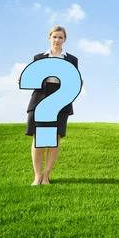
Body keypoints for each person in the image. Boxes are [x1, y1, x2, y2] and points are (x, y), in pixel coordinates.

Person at [18, 26, 82, 186]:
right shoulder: (39, 57)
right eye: (54, 37)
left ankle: (46, 176)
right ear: (49, 38)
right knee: (38, 138)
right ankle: (37, 176)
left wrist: (78, 82)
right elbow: (33, 79)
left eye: (60, 37)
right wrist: (23, 79)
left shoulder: (72, 59)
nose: (57, 40)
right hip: (41, 99)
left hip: (60, 101)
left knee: (55, 139)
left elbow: (74, 80)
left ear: (64, 40)